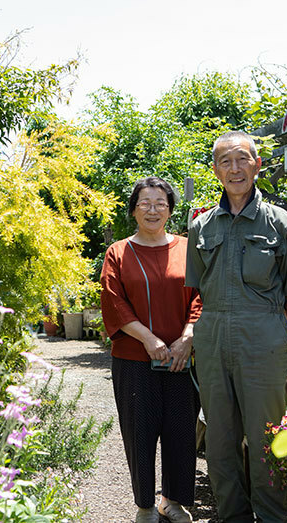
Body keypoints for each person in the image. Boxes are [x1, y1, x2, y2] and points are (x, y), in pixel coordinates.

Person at [186, 130, 287, 522]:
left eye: (242, 159)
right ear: (216, 170)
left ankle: (273, 517)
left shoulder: (281, 223)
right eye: (225, 161)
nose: (234, 169)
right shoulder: (201, 227)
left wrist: (261, 324)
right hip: (214, 339)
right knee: (219, 441)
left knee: (268, 437)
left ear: (256, 164)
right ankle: (232, 516)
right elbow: (199, 288)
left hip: (264, 341)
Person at [100, 176, 203, 523]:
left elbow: (202, 296)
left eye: (161, 203)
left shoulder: (188, 249)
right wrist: (149, 339)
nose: (153, 209)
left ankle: (172, 501)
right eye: (145, 202)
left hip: (181, 358)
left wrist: (187, 337)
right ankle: (145, 505)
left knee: (181, 432)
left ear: (171, 210)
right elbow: (114, 302)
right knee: (139, 432)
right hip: (134, 359)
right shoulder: (118, 252)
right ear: (133, 210)